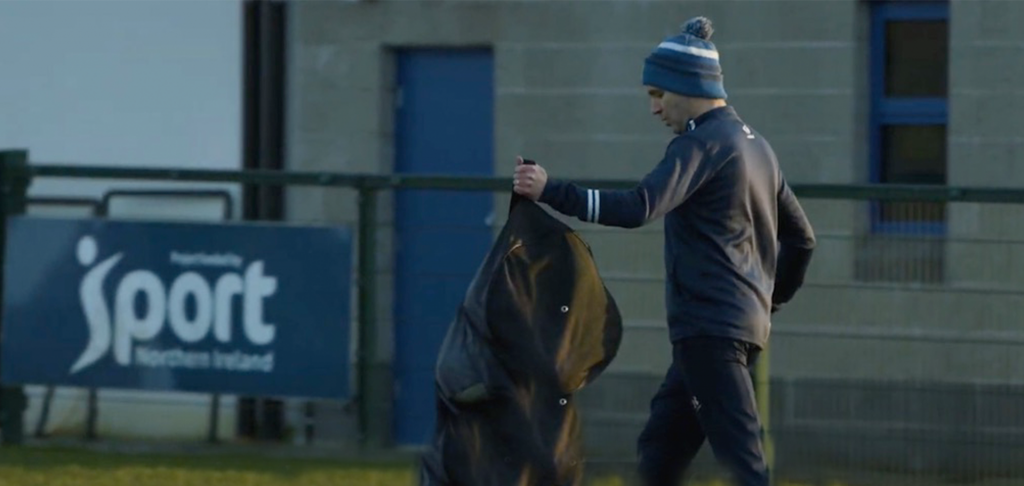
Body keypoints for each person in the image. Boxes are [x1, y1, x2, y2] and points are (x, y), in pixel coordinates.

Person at [511, 15, 816, 486]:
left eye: (658, 94)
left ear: (687, 86)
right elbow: (802, 239)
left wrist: (552, 190)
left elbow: (638, 208)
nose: (654, 109)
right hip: (732, 328)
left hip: (710, 330)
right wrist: (768, 301)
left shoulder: (699, 145)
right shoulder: (758, 148)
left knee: (744, 461)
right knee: (661, 448)